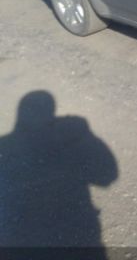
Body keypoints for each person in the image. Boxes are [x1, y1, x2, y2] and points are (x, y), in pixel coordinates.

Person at [0, 91, 118, 255]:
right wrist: (82, 135)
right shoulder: (69, 139)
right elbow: (107, 175)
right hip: (78, 242)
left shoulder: (4, 148)